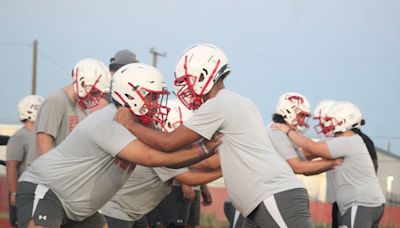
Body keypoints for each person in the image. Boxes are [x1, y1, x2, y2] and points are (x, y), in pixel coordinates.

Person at [114, 44, 313, 227]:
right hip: (262, 199)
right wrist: (202, 153)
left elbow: (168, 143)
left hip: (272, 194)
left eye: (188, 81)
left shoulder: (218, 104)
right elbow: (204, 161)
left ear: (203, 75)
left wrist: (130, 124)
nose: (185, 88)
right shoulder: (236, 101)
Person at [16, 63, 221, 228]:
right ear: (132, 94)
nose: (156, 103)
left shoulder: (138, 125)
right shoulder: (108, 122)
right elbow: (153, 158)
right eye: (152, 96)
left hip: (80, 209)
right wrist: (204, 149)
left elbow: (170, 149)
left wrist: (206, 146)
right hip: (48, 189)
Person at [101, 99, 221, 228]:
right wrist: (224, 170)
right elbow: (190, 178)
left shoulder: (162, 145)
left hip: (131, 212)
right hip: (116, 212)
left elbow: (197, 164)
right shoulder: (161, 149)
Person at [272, 101, 385, 227]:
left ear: (345, 121)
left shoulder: (346, 141)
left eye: (332, 120)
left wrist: (288, 131)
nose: (328, 124)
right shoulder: (350, 140)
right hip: (367, 203)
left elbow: (310, 147)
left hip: (360, 203)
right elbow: (308, 161)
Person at [27, 58, 112, 164]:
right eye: (94, 92)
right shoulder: (57, 100)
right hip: (44, 176)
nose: (95, 97)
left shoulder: (83, 107)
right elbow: (43, 140)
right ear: (82, 83)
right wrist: (51, 172)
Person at [313, 100, 378, 228]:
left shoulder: (352, 141)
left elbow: (310, 150)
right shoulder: (357, 139)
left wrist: (289, 135)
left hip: (353, 200)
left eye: (326, 120)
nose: (323, 125)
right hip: (347, 199)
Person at [266, 92, 342, 176]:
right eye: (301, 116)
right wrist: (334, 162)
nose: (303, 121)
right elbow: (298, 167)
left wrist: (329, 162)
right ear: (288, 112)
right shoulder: (276, 131)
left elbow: (304, 165)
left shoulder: (285, 132)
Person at [6, 95, 43, 227]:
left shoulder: (42, 134)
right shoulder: (19, 137)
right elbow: (11, 165)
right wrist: (14, 192)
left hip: (39, 190)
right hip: (25, 191)